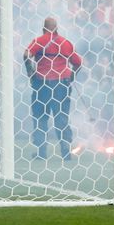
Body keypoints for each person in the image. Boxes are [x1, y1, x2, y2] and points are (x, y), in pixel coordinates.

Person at [24, 17, 82, 160]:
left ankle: (42, 152)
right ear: (57, 28)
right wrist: (72, 76)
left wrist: (30, 71)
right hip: (61, 84)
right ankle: (65, 151)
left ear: (43, 28)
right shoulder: (65, 42)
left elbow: (26, 55)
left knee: (40, 118)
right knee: (61, 117)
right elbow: (78, 63)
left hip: (42, 83)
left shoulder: (38, 41)